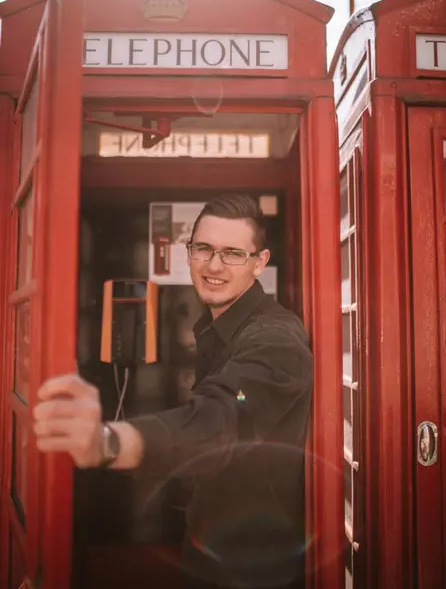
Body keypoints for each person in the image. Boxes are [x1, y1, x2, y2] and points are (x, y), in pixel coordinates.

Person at [33, 194, 314, 589]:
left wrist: (107, 442)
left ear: (259, 262)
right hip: (211, 547)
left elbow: (220, 420)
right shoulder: (218, 329)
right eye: (204, 248)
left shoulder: (275, 339)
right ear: (188, 252)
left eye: (233, 253)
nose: (214, 265)